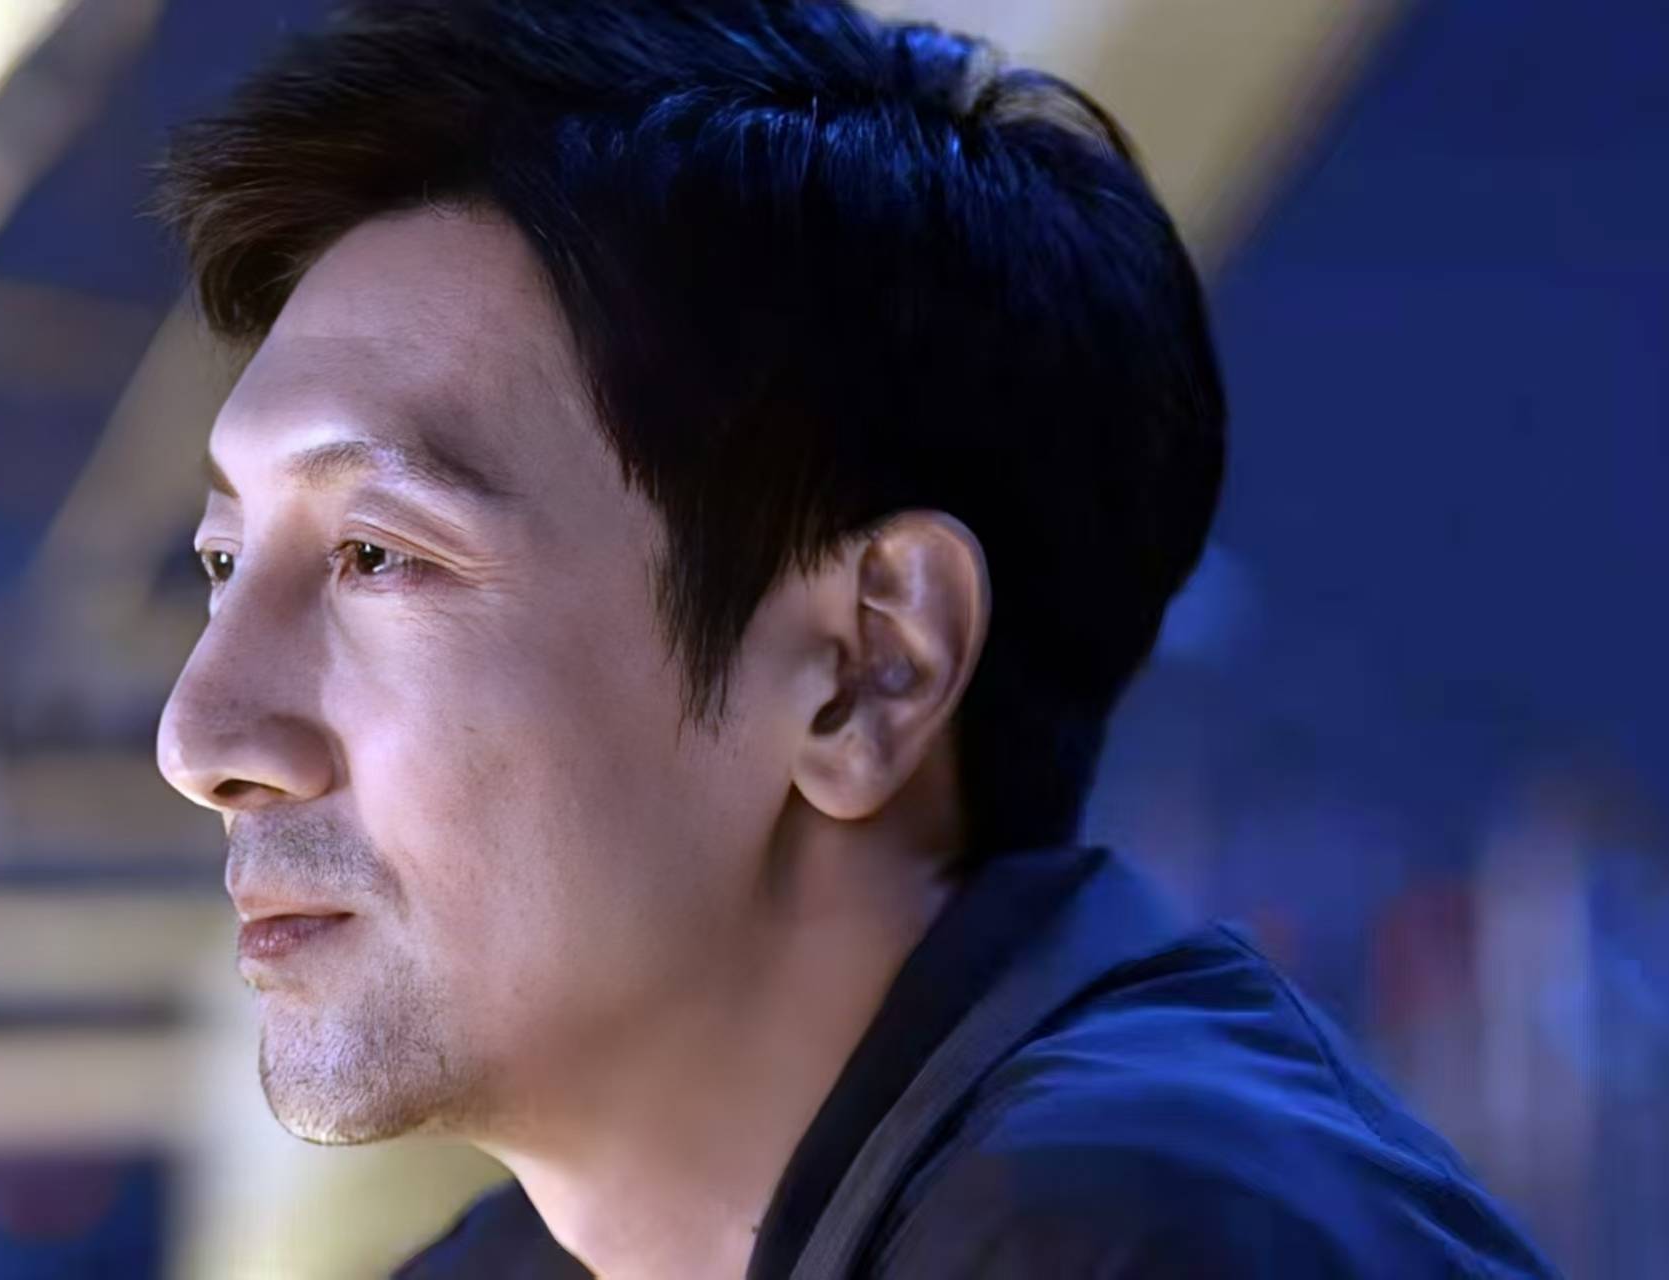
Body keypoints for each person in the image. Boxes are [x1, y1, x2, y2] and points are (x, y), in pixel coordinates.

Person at [151, 2, 1561, 1275]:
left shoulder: (1145, 1241)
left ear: (865, 667)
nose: (201, 739)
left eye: (378, 554)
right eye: (222, 561)